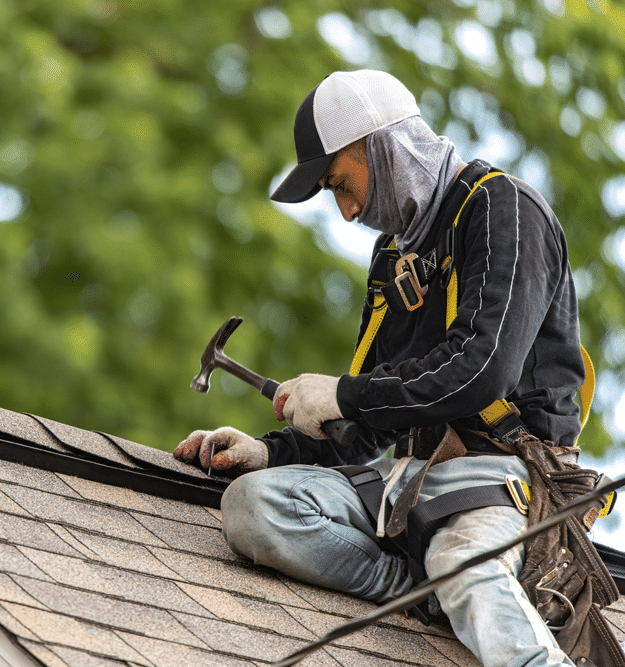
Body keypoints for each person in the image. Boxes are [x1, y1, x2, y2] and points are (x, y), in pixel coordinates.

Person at [173, 70, 594, 667]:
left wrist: (343, 396)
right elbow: (369, 427)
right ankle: (425, 597)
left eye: (342, 184)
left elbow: (483, 371)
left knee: (462, 567)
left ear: (384, 146)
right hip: (409, 490)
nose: (346, 213)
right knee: (253, 505)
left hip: (505, 486)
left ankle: (450, 588)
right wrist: (273, 452)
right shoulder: (394, 257)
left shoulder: (505, 210)